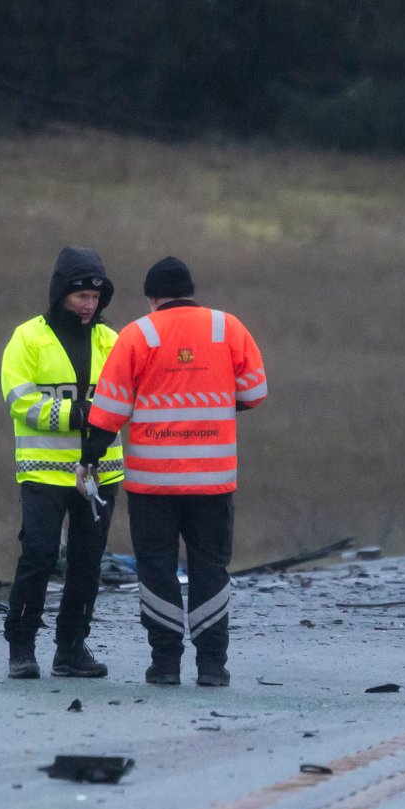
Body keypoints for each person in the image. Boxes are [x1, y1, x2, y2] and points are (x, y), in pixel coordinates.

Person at [81, 256, 268, 686]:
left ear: (152, 298)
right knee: (210, 569)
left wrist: (90, 457)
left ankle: (165, 663)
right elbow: (255, 392)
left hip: (153, 483)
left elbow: (108, 412)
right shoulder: (228, 328)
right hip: (213, 480)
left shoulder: (137, 334)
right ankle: (212, 665)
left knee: (156, 569)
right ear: (190, 291)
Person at [0, 247, 126, 679]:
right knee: (37, 556)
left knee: (88, 563)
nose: (89, 306)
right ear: (60, 295)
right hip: (43, 471)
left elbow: (129, 397)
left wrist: (101, 419)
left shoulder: (112, 340)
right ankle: (21, 647)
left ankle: (71, 647)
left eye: (96, 297)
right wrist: (80, 415)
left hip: (101, 472)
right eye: (81, 297)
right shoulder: (27, 338)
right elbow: (20, 401)